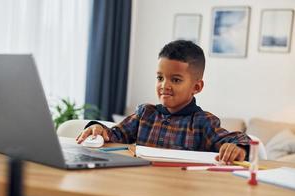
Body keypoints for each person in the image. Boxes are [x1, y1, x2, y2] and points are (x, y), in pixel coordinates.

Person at [76, 40, 251, 163]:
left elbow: (241, 139)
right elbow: (114, 135)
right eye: (160, 78)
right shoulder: (145, 114)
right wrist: (98, 129)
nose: (164, 85)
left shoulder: (203, 122)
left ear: (196, 87)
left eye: (175, 80)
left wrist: (239, 148)